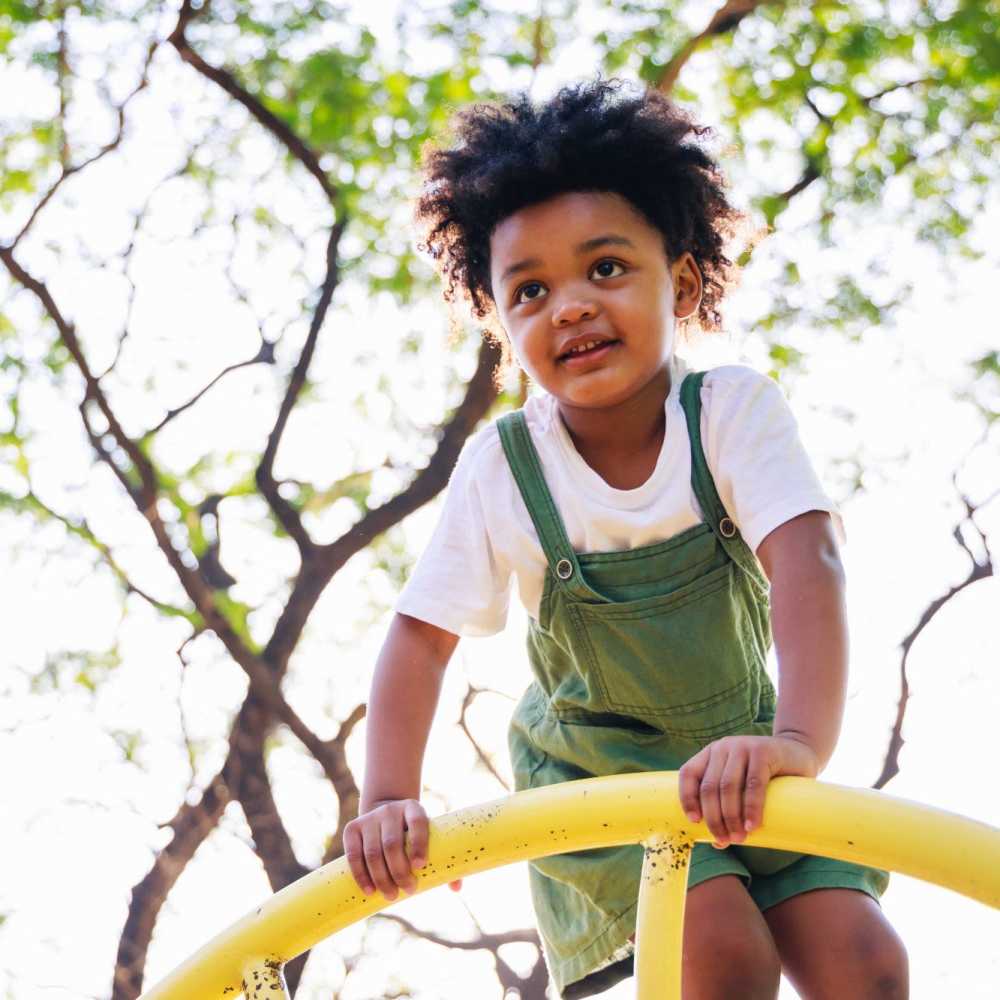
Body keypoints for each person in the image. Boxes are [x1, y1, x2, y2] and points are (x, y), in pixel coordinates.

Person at [343, 77, 908, 999]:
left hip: (749, 746)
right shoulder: (505, 467)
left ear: (679, 282)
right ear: (500, 324)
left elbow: (809, 560)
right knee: (718, 947)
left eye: (605, 268)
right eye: (530, 290)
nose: (568, 305)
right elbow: (420, 635)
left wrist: (798, 740)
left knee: (867, 960)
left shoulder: (727, 412)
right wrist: (387, 800)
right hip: (600, 767)